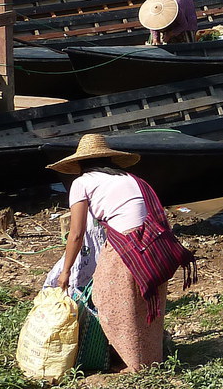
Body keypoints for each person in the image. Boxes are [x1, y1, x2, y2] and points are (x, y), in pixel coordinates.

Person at [49, 135, 165, 373]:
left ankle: (134, 363)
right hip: (156, 244)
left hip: (128, 244)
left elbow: (77, 234)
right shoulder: (130, 178)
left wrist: (66, 271)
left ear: (80, 165)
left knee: (108, 301)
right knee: (145, 302)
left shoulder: (81, 183)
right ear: (111, 160)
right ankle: (150, 357)